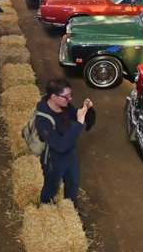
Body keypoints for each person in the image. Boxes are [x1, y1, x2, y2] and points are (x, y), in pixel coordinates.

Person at [35, 78, 93, 214]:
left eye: (70, 95)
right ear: (54, 97)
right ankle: (46, 212)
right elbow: (59, 146)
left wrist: (86, 109)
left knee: (72, 184)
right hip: (54, 161)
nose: (70, 99)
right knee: (51, 187)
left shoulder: (64, 106)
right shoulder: (43, 120)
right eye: (66, 96)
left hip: (70, 156)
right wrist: (79, 124)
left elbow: (77, 115)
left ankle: (71, 211)